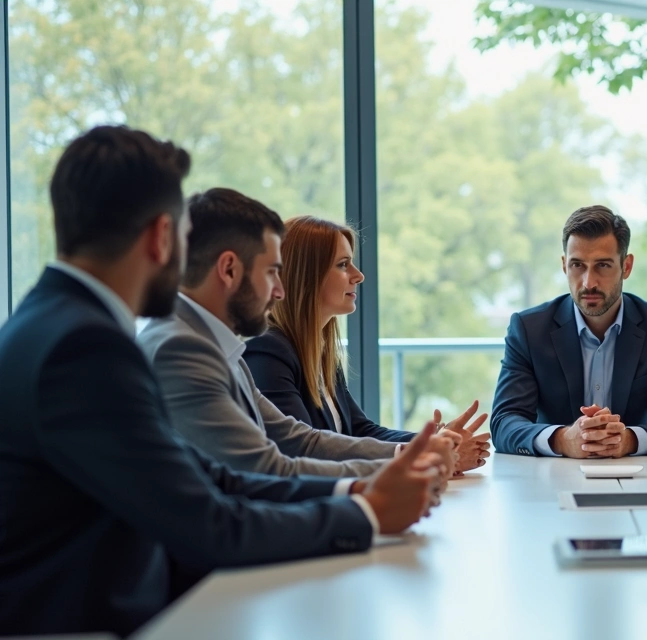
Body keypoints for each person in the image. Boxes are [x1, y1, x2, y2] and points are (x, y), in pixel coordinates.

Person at [0, 126, 444, 636]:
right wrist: (367, 514)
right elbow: (209, 524)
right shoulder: (84, 348)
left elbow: (208, 477)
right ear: (161, 236)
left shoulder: (54, 325)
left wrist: (359, 490)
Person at [138, 189, 462, 478]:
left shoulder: (221, 348)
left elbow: (298, 439)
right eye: (271, 272)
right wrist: (409, 466)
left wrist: (417, 452)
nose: (280, 290)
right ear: (229, 269)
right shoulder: (185, 347)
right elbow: (269, 466)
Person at [245, 215, 490, 474]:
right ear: (305, 275)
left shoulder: (319, 351)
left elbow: (361, 430)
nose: (358, 276)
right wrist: (425, 455)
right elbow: (302, 450)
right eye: (343, 265)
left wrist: (435, 443)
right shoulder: (268, 352)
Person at [491, 205, 647, 457]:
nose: (588, 282)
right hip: (552, 480)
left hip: (639, 480)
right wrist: (562, 440)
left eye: (602, 265)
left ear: (626, 266)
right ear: (564, 265)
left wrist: (629, 440)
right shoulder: (528, 330)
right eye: (577, 265)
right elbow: (504, 422)